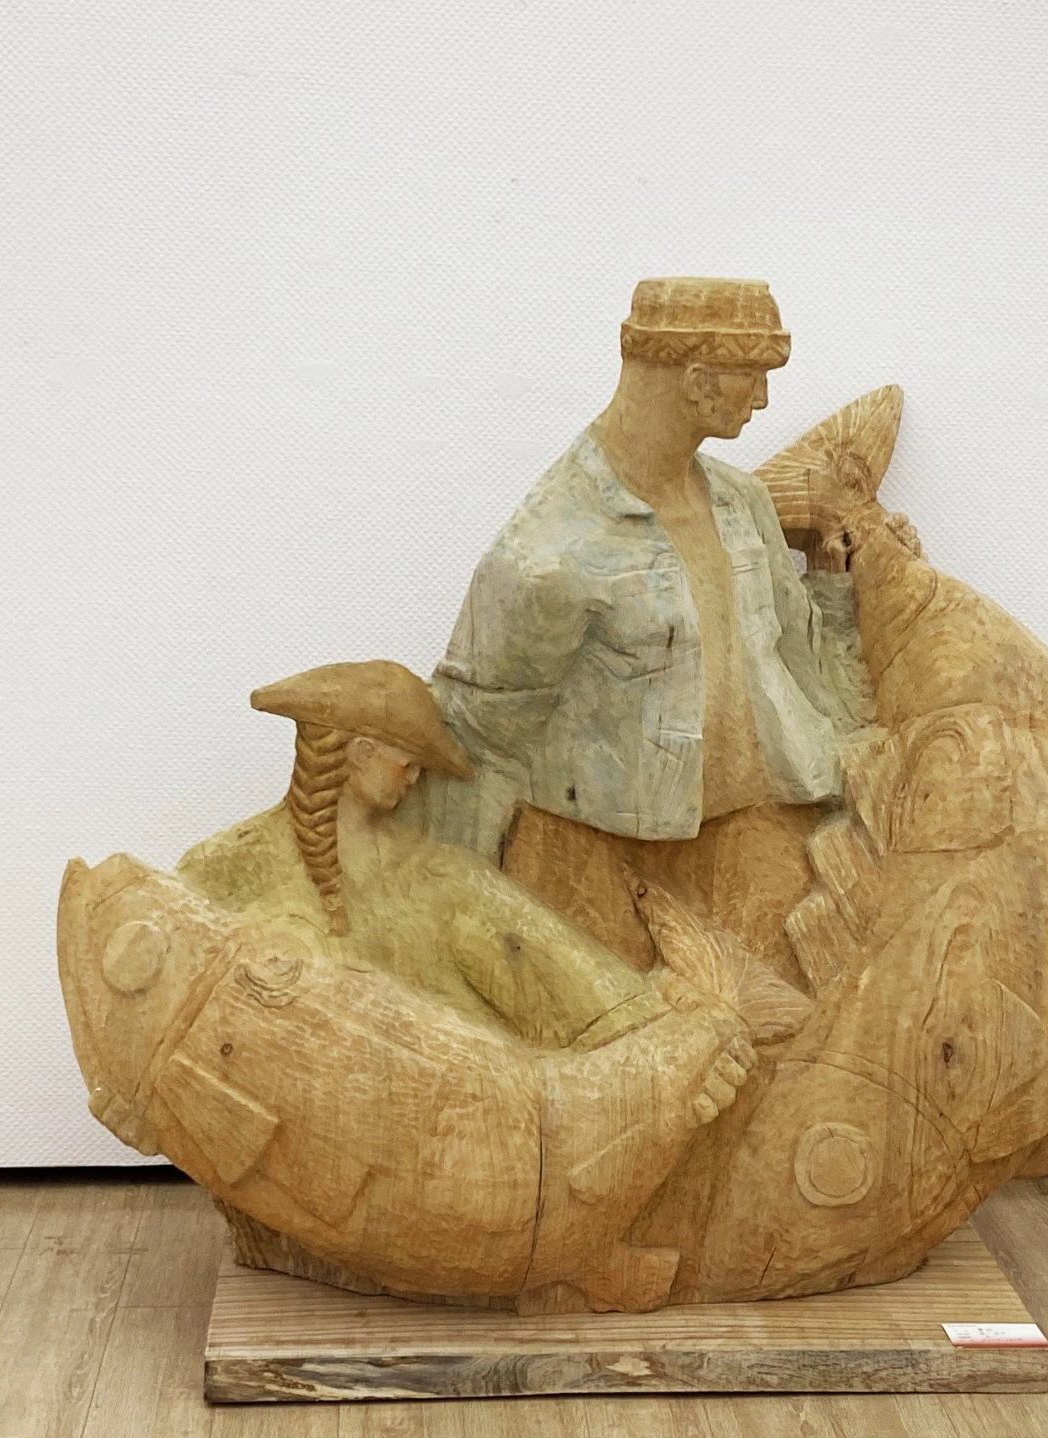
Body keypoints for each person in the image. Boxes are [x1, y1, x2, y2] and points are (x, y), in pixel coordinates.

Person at [427, 277, 875, 975]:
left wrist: (839, 585)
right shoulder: (547, 550)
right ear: (696, 380)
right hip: (599, 872)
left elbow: (807, 666)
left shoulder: (742, 503)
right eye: (753, 376)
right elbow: (477, 740)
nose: (763, 399)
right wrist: (443, 916)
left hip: (758, 846)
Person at [175, 660, 676, 1051]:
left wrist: (647, 1024)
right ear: (362, 753)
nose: (415, 779)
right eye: (407, 763)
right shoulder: (224, 865)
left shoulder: (445, 875)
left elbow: (570, 976)